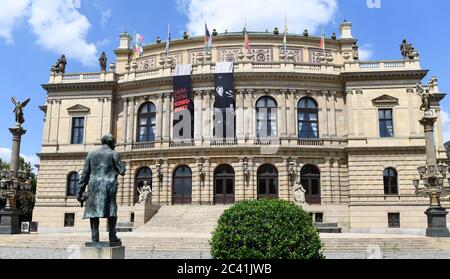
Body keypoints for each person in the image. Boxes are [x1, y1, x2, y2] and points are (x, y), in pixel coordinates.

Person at [78, 134, 126, 243]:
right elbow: (122, 170)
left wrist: (80, 191)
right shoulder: (114, 154)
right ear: (111, 143)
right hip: (109, 185)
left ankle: (95, 237)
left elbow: (85, 174)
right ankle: (112, 236)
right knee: (112, 210)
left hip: (93, 186)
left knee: (93, 212)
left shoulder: (91, 154)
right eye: (114, 143)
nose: (115, 145)